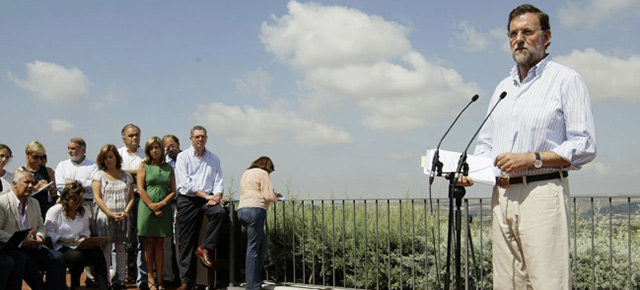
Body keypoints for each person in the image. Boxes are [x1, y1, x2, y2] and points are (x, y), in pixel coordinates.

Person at [458, 4, 597, 289]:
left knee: (549, 282)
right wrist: (474, 172)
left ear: (546, 37)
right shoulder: (501, 88)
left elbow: (584, 144)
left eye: (527, 32)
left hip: (542, 193)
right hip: (501, 196)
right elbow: (486, 144)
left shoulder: (566, 80)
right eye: (513, 33)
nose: (519, 39)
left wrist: (532, 159)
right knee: (506, 283)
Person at [174, 125, 226, 290]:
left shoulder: (214, 159)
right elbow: (185, 184)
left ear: (206, 138)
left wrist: (216, 197)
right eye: (197, 136)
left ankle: (204, 247)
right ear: (191, 139)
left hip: (207, 200)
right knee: (186, 241)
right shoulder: (183, 157)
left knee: (219, 212)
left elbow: (218, 181)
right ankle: (185, 281)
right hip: (188, 200)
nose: (200, 139)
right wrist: (207, 196)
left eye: (203, 136)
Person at [0, 170, 66, 290]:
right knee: (22, 259)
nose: (30, 186)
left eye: (32, 183)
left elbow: (41, 225)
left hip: (33, 246)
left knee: (58, 257)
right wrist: (21, 242)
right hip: (12, 248)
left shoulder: (34, 203)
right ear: (14, 184)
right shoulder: (2, 202)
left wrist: (40, 235)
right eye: (26, 182)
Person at [44, 182, 109, 290]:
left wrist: (84, 237)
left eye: (80, 200)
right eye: (75, 200)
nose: (78, 203)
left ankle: (104, 286)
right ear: (66, 198)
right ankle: (75, 284)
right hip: (61, 245)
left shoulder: (82, 210)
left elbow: (86, 229)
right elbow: (48, 231)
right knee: (77, 256)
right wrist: (63, 239)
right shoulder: (55, 211)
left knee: (97, 253)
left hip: (78, 244)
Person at [53, 137, 100, 286]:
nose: (70, 151)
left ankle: (90, 277)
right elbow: (60, 185)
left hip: (87, 203)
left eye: (73, 148)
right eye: (69, 148)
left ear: (83, 150)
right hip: (64, 203)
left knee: (87, 238)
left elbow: (94, 185)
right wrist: (81, 184)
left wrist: (75, 183)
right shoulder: (62, 165)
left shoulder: (93, 166)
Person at [92, 144, 135, 289]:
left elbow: (131, 197)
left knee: (121, 247)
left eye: (111, 157)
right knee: (106, 247)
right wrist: (109, 213)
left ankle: (121, 279)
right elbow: (97, 198)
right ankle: (106, 281)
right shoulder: (98, 176)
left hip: (123, 216)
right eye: (105, 158)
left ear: (117, 157)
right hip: (105, 216)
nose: (109, 160)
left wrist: (126, 212)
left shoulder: (127, 176)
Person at [137, 137, 176, 290]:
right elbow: (140, 189)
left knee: (160, 244)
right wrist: (152, 206)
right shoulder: (144, 166)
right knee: (148, 244)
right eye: (151, 148)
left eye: (157, 147)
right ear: (148, 150)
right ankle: (150, 278)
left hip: (164, 208)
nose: (154, 150)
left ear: (161, 149)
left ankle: (161, 279)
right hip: (146, 208)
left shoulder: (169, 168)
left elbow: (173, 191)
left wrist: (161, 204)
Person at [237, 157, 280, 290]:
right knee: (253, 248)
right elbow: (267, 195)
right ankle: (252, 286)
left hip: (242, 210)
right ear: (267, 166)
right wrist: (276, 197)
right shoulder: (263, 173)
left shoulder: (246, 173)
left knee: (262, 243)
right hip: (256, 210)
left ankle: (255, 280)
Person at [117, 123, 149, 289]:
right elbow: (115, 174)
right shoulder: (116, 154)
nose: (134, 138)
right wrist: (137, 172)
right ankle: (118, 278)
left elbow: (147, 174)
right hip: (119, 199)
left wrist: (127, 172)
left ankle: (141, 279)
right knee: (118, 239)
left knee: (140, 239)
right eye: (131, 135)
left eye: (137, 134)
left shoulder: (146, 154)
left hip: (140, 198)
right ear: (124, 138)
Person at [16, 141, 57, 219]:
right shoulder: (19, 171)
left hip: (44, 208)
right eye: (35, 157)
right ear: (28, 155)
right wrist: (36, 188)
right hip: (26, 208)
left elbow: (54, 193)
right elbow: (18, 193)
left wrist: (51, 188)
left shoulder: (48, 171)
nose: (38, 160)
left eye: (41, 157)